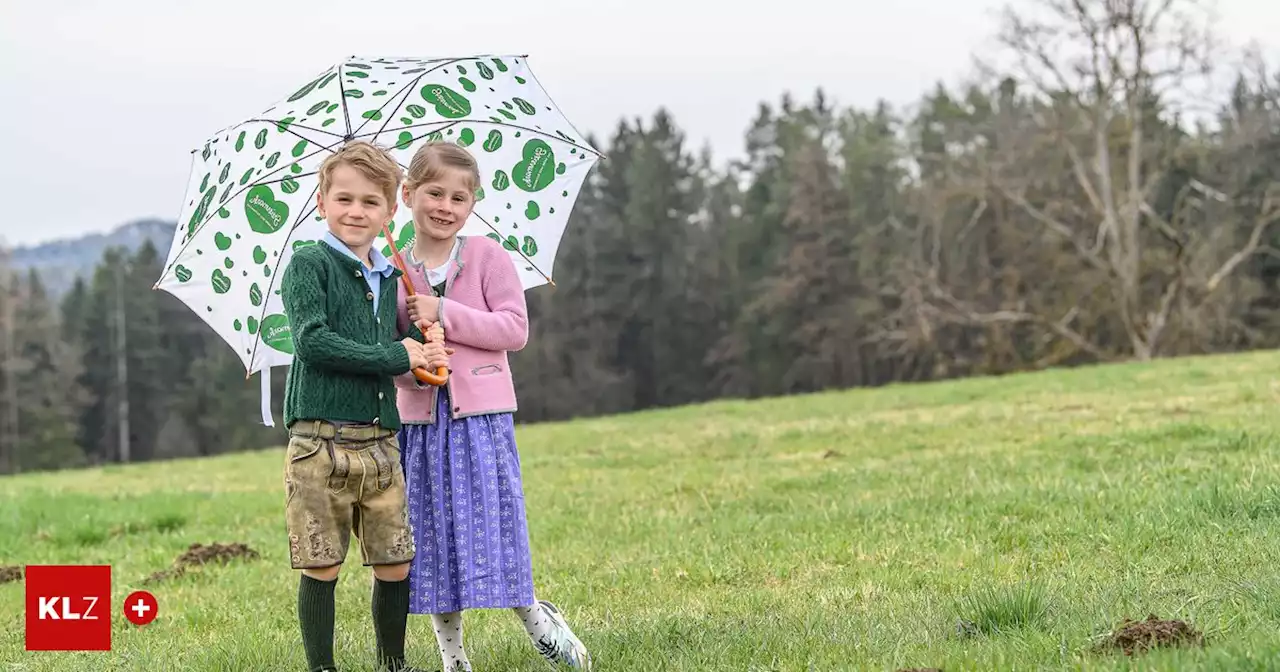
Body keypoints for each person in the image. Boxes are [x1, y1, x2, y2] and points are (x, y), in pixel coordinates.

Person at [392, 141, 592, 671]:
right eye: (433, 193)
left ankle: (539, 624)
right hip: (420, 425)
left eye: (459, 197)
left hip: (480, 422)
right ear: (407, 195)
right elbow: (388, 356)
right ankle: (453, 659)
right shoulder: (392, 273)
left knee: (494, 528)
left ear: (472, 205)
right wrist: (413, 361)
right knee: (433, 540)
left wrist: (445, 312)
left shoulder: (485, 257)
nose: (445, 206)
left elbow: (514, 329)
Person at [279, 140, 449, 672]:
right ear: (321, 201)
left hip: (380, 443)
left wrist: (425, 349)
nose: (356, 212)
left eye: (370, 202)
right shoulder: (309, 264)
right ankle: (322, 667)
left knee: (395, 561)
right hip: (321, 443)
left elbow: (399, 357)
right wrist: (392, 353)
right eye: (344, 199)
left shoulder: (389, 277)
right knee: (323, 564)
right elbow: (313, 343)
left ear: (390, 210)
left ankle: (393, 663)